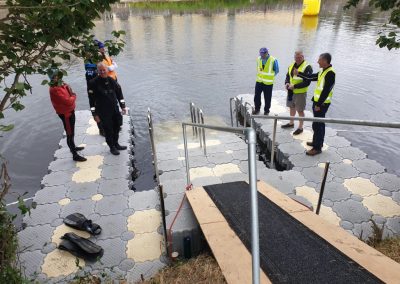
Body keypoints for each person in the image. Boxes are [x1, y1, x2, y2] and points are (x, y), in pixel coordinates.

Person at [294, 53, 335, 156]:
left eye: (319, 60)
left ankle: (317, 148)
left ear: (325, 61)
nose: (317, 62)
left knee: (319, 125)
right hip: (317, 102)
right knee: (316, 124)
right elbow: (311, 77)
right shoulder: (322, 71)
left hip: (322, 104)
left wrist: (319, 104)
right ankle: (317, 142)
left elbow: (326, 91)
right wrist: (299, 73)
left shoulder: (330, 73)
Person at [88, 63, 127, 155]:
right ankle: (112, 147)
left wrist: (123, 106)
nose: (102, 72)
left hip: (114, 108)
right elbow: (91, 101)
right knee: (108, 129)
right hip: (103, 111)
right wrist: (94, 114)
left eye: (104, 70)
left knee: (117, 126)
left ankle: (116, 143)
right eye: (100, 70)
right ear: (97, 71)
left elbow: (119, 94)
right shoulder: (93, 83)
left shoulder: (112, 80)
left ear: (107, 70)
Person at [48, 68, 87, 162]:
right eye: (55, 76)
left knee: (72, 133)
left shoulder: (62, 84)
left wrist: (71, 95)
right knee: (70, 133)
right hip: (66, 114)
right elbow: (68, 101)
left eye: (59, 75)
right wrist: (73, 96)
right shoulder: (55, 89)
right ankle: (74, 155)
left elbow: (70, 92)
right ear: (52, 78)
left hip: (70, 110)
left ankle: (73, 147)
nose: (58, 77)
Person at [282, 51, 313, 135]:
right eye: (296, 58)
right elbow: (288, 76)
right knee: (291, 107)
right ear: (294, 57)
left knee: (300, 110)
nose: (298, 59)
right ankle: (291, 123)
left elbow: (307, 82)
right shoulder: (292, 65)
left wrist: (295, 86)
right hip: (291, 91)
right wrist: (287, 83)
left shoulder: (307, 67)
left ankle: (300, 127)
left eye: (299, 58)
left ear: (303, 57)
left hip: (300, 93)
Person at [253, 47, 279, 115]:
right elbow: (259, 69)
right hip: (259, 81)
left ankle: (266, 111)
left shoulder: (273, 60)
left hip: (268, 83)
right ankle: (257, 109)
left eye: (263, 54)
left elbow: (276, 70)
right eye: (261, 54)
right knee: (257, 96)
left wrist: (270, 77)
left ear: (267, 53)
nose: (262, 55)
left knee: (267, 98)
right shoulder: (259, 59)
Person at [84, 58, 104, 136]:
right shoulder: (90, 71)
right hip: (92, 92)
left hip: (99, 91)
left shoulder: (95, 68)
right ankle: (101, 129)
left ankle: (106, 126)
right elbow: (88, 66)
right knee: (96, 111)